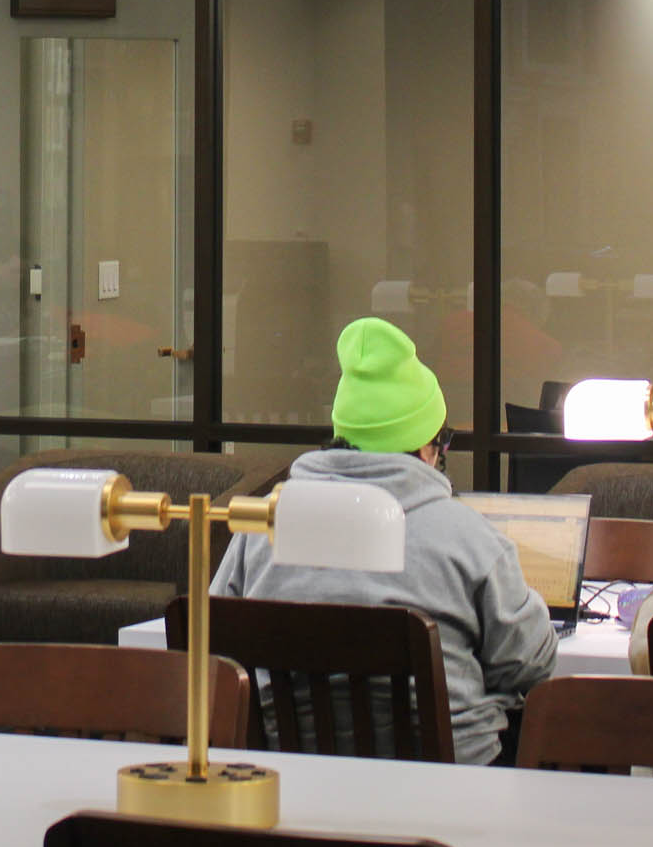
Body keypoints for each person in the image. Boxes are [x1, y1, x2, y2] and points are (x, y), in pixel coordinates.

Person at [209, 316, 557, 765]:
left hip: (287, 780)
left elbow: (213, 651)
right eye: (442, 442)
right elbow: (530, 666)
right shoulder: (468, 539)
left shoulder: (261, 528)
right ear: (427, 448)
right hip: (449, 790)